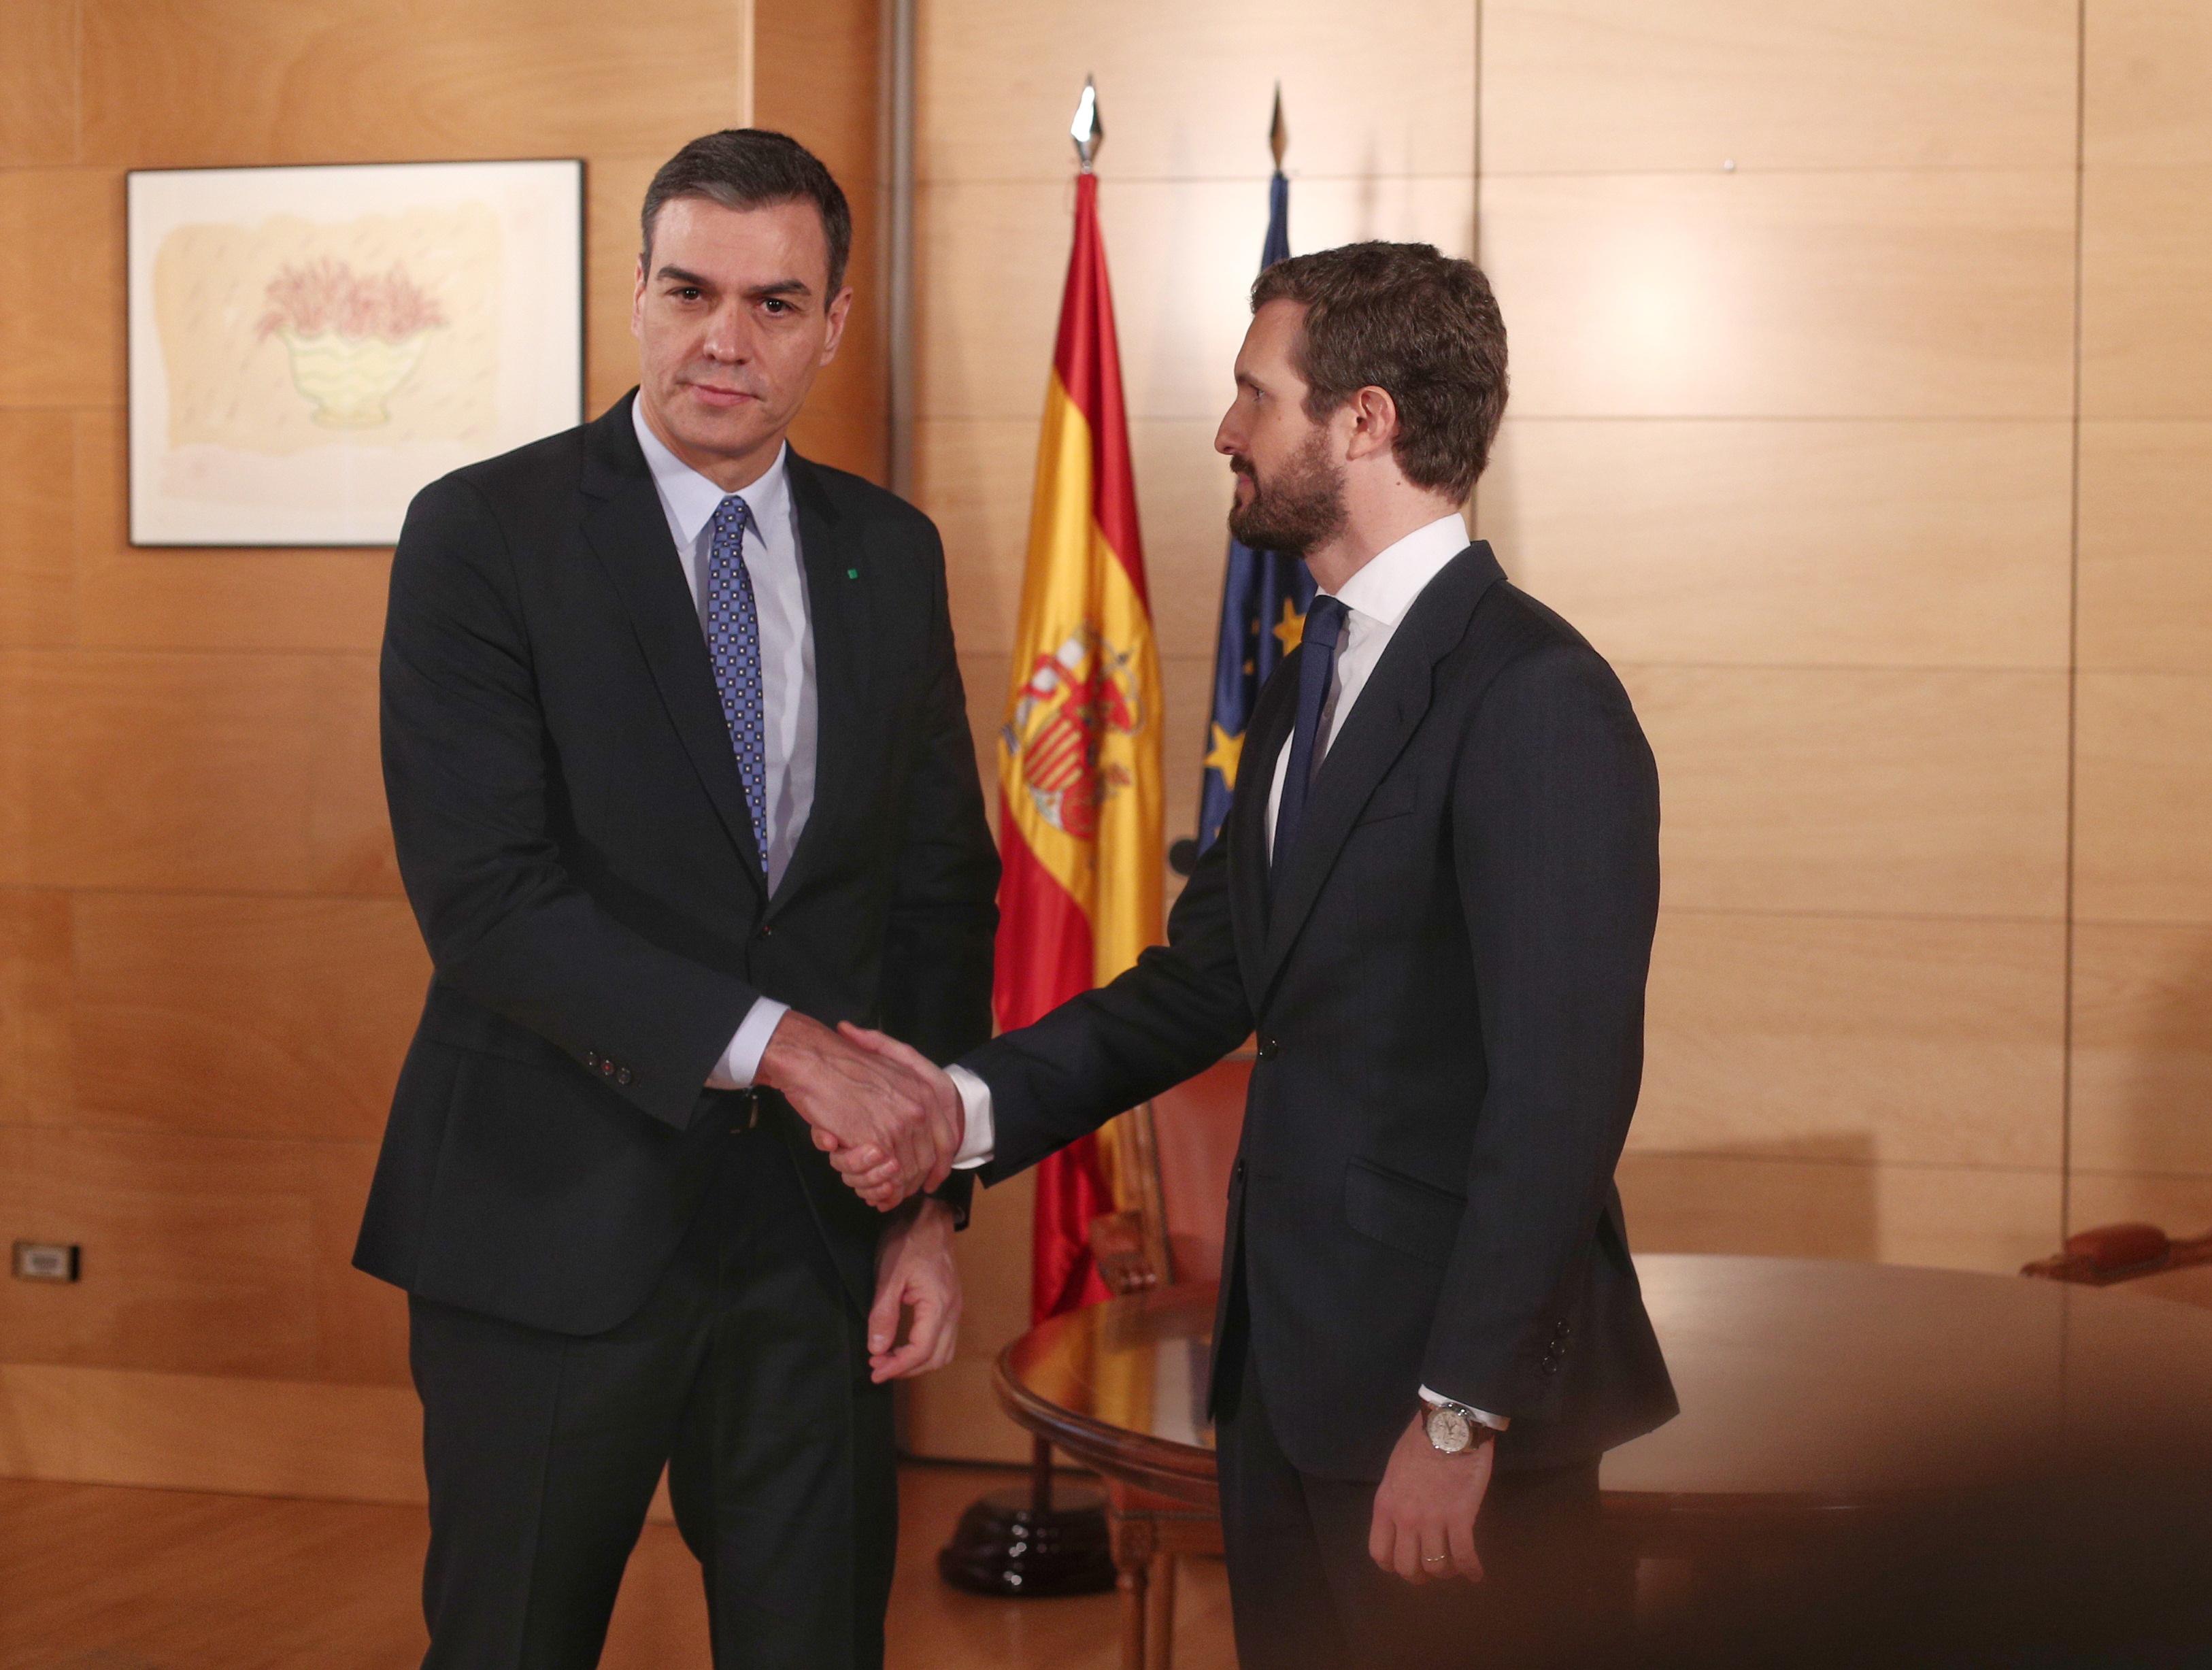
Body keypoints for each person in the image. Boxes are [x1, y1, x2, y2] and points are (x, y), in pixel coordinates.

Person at [835, 241, 1679, 1669]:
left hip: (1442, 1416)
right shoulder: (1315, 667)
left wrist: (1461, 1410)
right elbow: (1210, 984)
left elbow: (1563, 1094)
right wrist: (956, 1116)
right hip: (1289, 1389)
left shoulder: (1537, 698)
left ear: (1367, 419)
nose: (1226, 431)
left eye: (1253, 395)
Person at [354, 129, 995, 1670]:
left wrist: (927, 1200)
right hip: (546, 1218)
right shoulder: (482, 534)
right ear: (634, 292)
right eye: (691, 289)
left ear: (833, 324)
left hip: (815, 1250)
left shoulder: (890, 554)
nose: (727, 336)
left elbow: (938, 892)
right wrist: (780, 1044)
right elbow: (490, 899)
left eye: (776, 303)